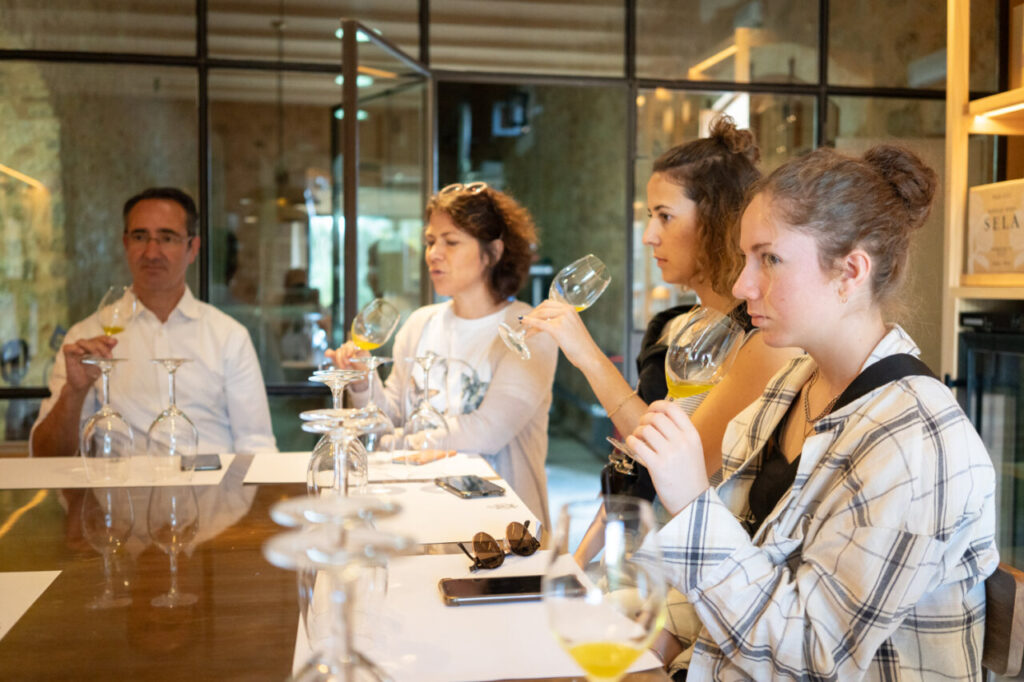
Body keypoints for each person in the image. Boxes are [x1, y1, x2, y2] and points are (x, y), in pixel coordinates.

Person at [628, 145, 998, 679]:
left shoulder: (916, 441)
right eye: (745, 258)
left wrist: (690, 504)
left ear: (850, 272)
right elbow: (735, 552)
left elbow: (814, 650)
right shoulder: (793, 384)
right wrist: (652, 643)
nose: (741, 285)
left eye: (769, 259)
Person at [327, 182, 557, 525]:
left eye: (451, 242)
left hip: (503, 526)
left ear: (492, 252)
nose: (434, 253)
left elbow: (486, 433)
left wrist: (393, 443)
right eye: (430, 241)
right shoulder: (420, 323)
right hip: (419, 515)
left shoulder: (530, 328)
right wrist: (363, 381)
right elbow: (387, 419)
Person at [30, 187, 277, 457]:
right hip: (122, 483)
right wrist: (74, 392)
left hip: (212, 480)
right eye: (140, 237)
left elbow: (256, 444)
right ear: (126, 244)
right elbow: (45, 457)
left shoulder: (228, 336)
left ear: (192, 248)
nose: (151, 253)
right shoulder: (86, 338)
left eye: (167, 238)